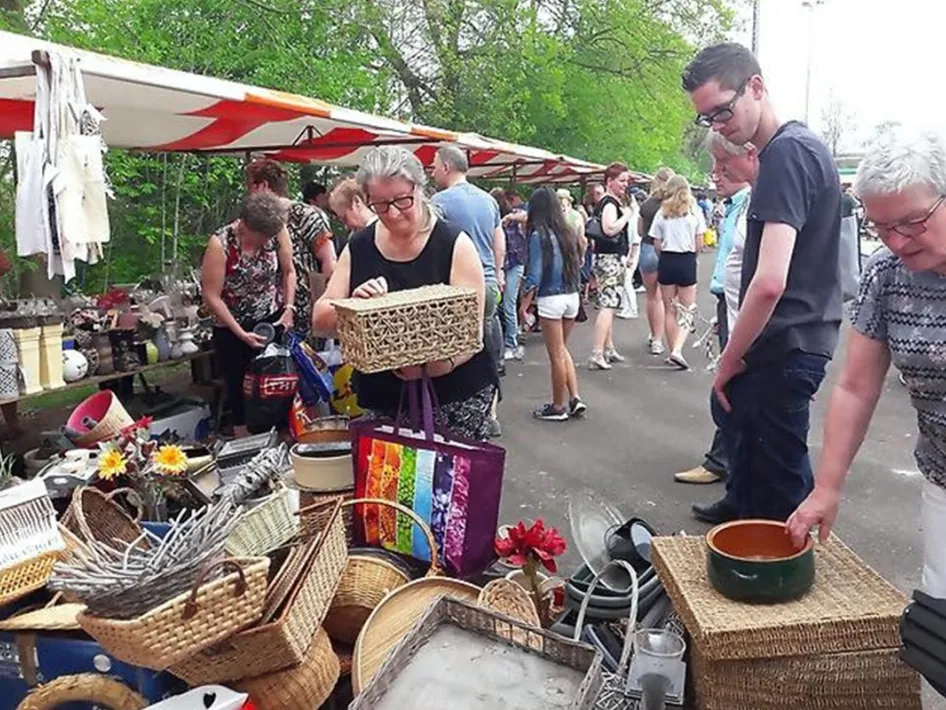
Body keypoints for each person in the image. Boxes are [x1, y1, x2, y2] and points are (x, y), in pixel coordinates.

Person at [786, 134, 946, 708]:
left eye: (913, 222)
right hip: (943, 481)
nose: (898, 241)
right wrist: (826, 488)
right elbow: (856, 386)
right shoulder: (887, 275)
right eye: (881, 228)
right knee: (940, 630)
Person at [684, 42, 842, 523]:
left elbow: (770, 280)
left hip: (783, 345)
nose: (718, 125)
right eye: (707, 119)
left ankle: (779, 587)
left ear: (756, 86)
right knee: (761, 480)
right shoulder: (794, 150)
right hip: (791, 341)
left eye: (722, 111)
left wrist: (729, 359)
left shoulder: (786, 154)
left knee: (777, 503)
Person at [312, 147, 497, 440]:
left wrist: (431, 368)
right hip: (384, 400)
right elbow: (320, 319)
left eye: (402, 200)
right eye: (381, 205)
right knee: (390, 484)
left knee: (443, 484)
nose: (393, 213)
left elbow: (471, 334)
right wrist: (352, 307)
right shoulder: (360, 246)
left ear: (420, 189)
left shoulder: (453, 244)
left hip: (455, 398)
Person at [675, 133, 755, 486]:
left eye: (723, 167)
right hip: (729, 299)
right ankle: (728, 462)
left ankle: (721, 462)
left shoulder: (751, 203)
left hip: (741, 305)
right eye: (715, 167)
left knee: (730, 381)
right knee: (731, 381)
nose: (715, 175)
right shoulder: (738, 204)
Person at [202, 192, 295, 438]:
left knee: (276, 381)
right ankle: (246, 442)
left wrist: (289, 308)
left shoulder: (277, 233)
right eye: (261, 235)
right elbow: (212, 295)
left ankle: (280, 433)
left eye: (269, 236)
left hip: (270, 317)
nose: (266, 240)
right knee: (239, 387)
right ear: (245, 224)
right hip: (231, 327)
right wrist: (240, 333)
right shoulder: (221, 244)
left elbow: (288, 272)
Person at [431, 145, 505, 436]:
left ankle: (462, 415)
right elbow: (499, 242)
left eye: (435, 165)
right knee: (485, 348)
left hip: (458, 287)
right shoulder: (488, 201)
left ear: (447, 167)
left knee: (461, 351)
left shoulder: (440, 202)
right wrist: (498, 273)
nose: (433, 171)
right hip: (488, 283)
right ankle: (492, 411)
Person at [518, 188, 586, 421]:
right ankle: (574, 397)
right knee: (563, 350)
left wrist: (524, 305)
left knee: (556, 354)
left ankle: (558, 407)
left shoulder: (539, 235)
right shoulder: (567, 232)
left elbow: (534, 275)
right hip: (571, 296)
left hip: (551, 299)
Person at [247, 161, 335, 337]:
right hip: (266, 313)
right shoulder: (254, 221)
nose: (248, 193)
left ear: (263, 186)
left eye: (250, 186)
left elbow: (329, 261)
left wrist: (326, 308)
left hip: (304, 314)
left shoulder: (305, 215)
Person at [649, 175, 705, 371]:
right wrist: (694, 256)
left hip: (667, 259)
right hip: (686, 259)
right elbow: (699, 241)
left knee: (669, 308)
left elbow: (656, 242)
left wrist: (664, 254)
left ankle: (673, 348)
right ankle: (678, 350)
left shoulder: (662, 212)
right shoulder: (694, 212)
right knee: (687, 308)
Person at [589, 163, 633, 371]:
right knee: (608, 305)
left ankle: (608, 347)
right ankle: (597, 351)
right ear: (609, 181)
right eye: (622, 180)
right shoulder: (609, 204)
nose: (625, 184)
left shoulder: (609, 202)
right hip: (609, 258)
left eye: (626, 180)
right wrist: (626, 216)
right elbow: (608, 229)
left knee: (611, 303)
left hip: (606, 257)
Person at [638, 168, 674, 355]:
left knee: (652, 296)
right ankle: (665, 341)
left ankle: (655, 336)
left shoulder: (646, 205)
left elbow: (639, 231)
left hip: (647, 249)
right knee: (667, 299)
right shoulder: (674, 205)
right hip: (668, 251)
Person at [492, 188, 527, 362]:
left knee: (507, 305)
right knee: (502, 306)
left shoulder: (513, 217)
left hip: (513, 265)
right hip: (507, 265)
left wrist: (510, 217)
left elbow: (528, 216)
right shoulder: (493, 219)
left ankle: (511, 344)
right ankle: (508, 340)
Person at [616, 187, 641, 320]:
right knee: (625, 281)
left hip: (631, 252)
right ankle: (626, 307)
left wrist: (631, 256)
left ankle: (632, 308)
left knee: (626, 281)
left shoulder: (634, 218)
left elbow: (636, 239)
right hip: (629, 250)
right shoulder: (633, 215)